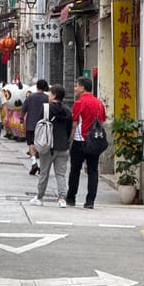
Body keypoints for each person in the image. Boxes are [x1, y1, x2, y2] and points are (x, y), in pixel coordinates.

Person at [66, 76, 106, 209]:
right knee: (93, 170)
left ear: (82, 88)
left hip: (80, 140)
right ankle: (90, 201)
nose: (75, 88)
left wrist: (69, 140)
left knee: (75, 170)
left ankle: (71, 198)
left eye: (76, 86)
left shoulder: (79, 103)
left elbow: (74, 123)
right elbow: (102, 122)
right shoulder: (99, 103)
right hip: (94, 141)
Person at [30, 84, 72, 207]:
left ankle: (39, 197)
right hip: (63, 146)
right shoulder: (67, 110)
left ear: (53, 95)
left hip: (47, 146)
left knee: (44, 173)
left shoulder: (46, 108)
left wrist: (34, 142)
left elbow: (39, 125)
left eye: (50, 93)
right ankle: (62, 199)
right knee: (61, 174)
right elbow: (69, 129)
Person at [20, 78, 49, 175]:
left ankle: (34, 163)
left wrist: (21, 119)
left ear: (37, 86)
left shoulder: (30, 97)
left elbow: (23, 109)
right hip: (43, 126)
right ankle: (41, 165)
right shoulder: (47, 98)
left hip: (31, 125)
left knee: (31, 144)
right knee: (41, 145)